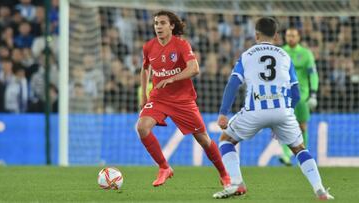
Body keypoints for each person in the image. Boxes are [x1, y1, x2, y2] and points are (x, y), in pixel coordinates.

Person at [212, 17, 333, 200]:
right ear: (277, 36)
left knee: (226, 141)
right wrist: (286, 114)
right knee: (300, 149)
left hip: (255, 110)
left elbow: (233, 84)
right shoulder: (285, 56)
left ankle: (237, 184)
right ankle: (320, 190)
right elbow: (296, 92)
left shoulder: (247, 55)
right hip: (282, 110)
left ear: (256, 34)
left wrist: (223, 113)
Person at [136, 10, 230, 187]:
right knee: (142, 127)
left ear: (171, 26)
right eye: (156, 23)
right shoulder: (148, 46)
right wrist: (144, 95)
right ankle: (164, 167)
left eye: (163, 23)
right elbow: (145, 68)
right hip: (159, 98)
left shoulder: (182, 45)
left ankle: (224, 174)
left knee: (203, 139)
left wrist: (172, 78)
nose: (158, 26)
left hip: (182, 100)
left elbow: (194, 69)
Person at [279, 27, 319, 166]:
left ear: (298, 37)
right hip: (285, 95)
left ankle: (304, 154)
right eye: (288, 35)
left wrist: (313, 93)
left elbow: (313, 74)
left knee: (302, 126)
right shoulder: (281, 52)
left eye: (293, 35)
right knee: (283, 125)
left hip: (302, 96)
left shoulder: (306, 54)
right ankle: (286, 155)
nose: (290, 38)